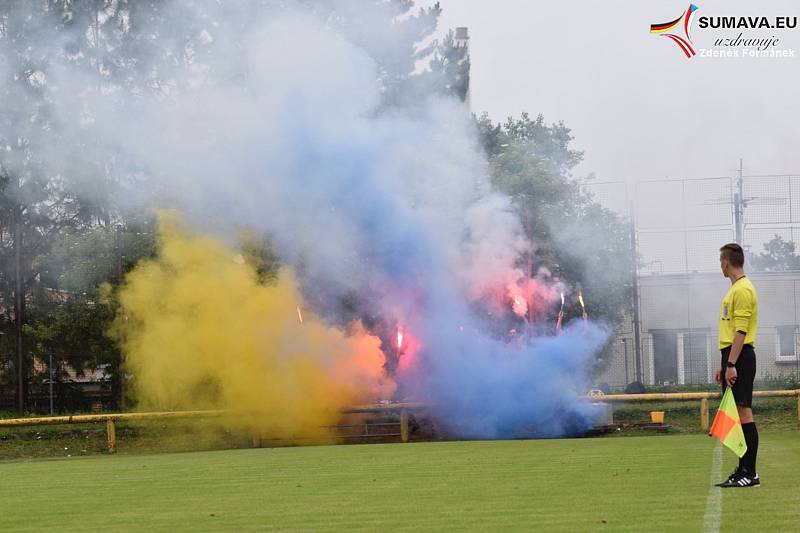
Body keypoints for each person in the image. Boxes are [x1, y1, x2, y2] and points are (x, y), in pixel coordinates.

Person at [715, 243, 760, 488]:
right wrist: (724, 363)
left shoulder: (743, 289)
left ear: (726, 262)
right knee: (736, 415)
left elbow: (741, 331)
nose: (720, 265)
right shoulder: (734, 289)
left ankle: (750, 473)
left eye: (720, 261)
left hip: (740, 357)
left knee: (744, 412)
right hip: (732, 356)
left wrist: (732, 363)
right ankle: (742, 469)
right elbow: (731, 331)